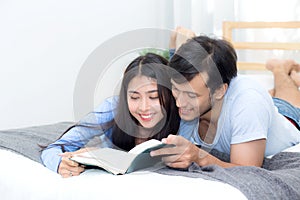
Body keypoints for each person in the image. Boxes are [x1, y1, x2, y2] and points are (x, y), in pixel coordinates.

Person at [150, 29, 300, 168]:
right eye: (176, 89)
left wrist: (199, 157)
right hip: (249, 105)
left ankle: (279, 68)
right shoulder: (186, 85)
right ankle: (272, 90)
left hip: (290, 117)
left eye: (191, 95)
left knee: (286, 96)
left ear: (220, 91)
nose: (179, 103)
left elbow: (248, 171)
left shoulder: (249, 102)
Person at [41, 53, 180, 178]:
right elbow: (53, 149)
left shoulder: (181, 115)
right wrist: (59, 163)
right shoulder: (113, 108)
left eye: (154, 97)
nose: (144, 107)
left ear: (170, 95)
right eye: (134, 97)